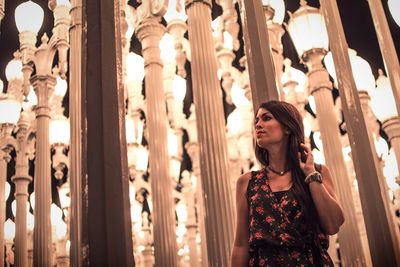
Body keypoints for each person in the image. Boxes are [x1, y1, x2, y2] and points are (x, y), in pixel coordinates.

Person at [231, 100, 344, 266]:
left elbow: (333, 225)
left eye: (266, 118)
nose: (258, 125)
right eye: (256, 121)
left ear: (287, 127)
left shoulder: (318, 172)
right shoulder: (247, 182)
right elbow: (241, 245)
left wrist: (311, 175)